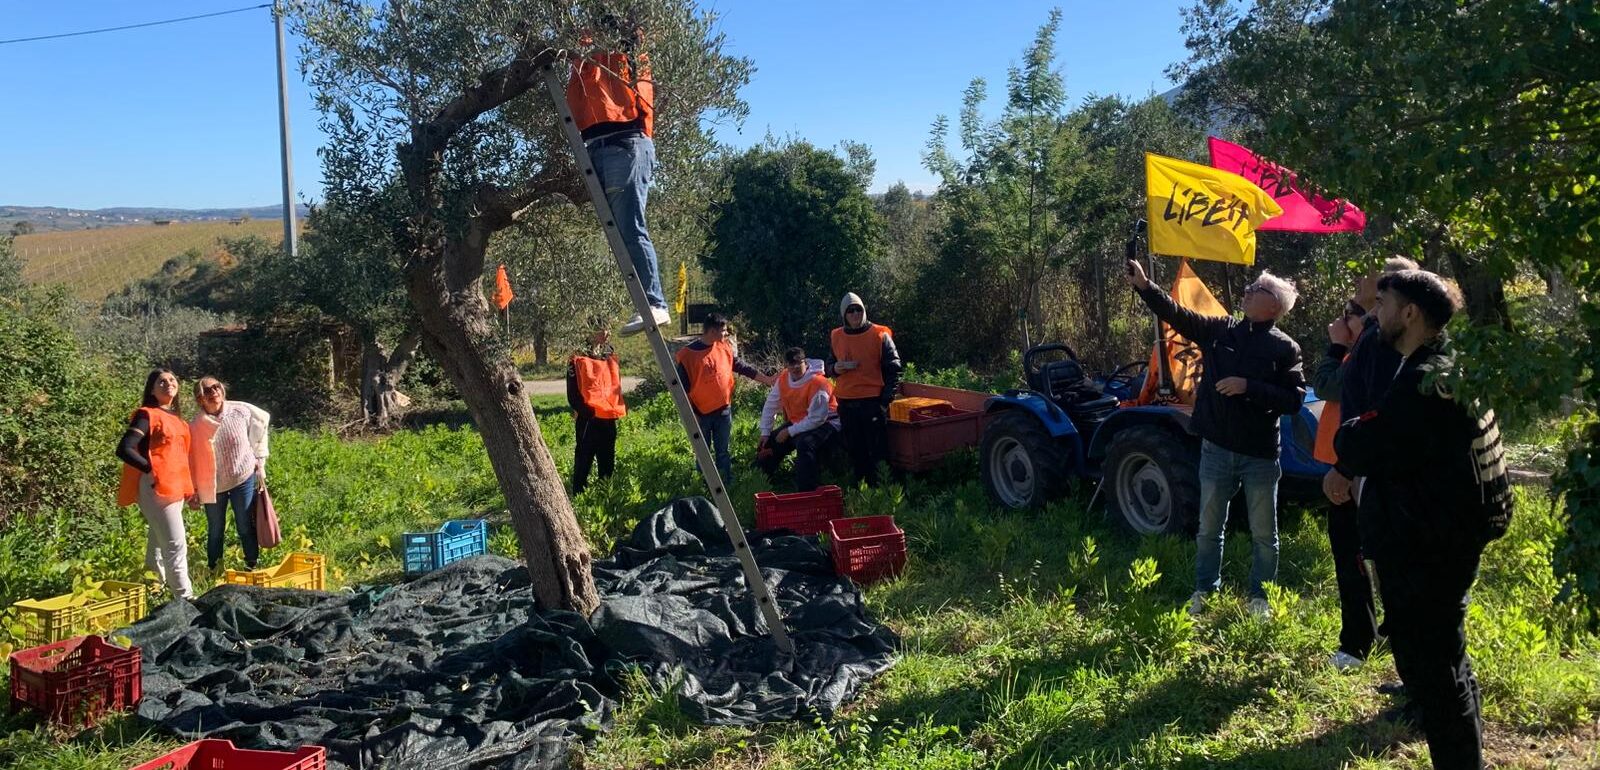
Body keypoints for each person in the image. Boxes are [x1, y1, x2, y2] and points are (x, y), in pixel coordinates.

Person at [1335, 269, 1510, 769]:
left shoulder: (1421, 380)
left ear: (1409, 313)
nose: (1375, 312)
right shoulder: (1451, 365)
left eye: (1383, 302)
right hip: (1446, 536)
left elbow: (1363, 441)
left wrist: (1354, 431)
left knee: (1435, 673)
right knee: (1449, 662)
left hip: (1428, 546)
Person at [1127, 259, 1306, 617]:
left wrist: (1248, 387)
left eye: (1258, 289)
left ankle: (1261, 598)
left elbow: (1294, 400)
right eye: (1252, 286)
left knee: (1264, 534)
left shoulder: (1285, 348)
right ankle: (1205, 591)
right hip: (1217, 448)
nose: (1249, 290)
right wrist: (1146, 287)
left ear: (1273, 306)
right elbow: (1177, 315)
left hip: (1259, 455)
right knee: (1209, 529)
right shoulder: (1222, 331)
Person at [1309, 255, 1419, 670]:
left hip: (1360, 466)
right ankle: (1386, 639)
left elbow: (1333, 386)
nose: (1353, 305)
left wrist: (1337, 346)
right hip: (1354, 461)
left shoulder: (1380, 341)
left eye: (1361, 299)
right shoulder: (1385, 337)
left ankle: (1359, 642)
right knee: (1371, 556)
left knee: (1358, 555)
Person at [566, 14, 667, 336]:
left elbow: (628, 42)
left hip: (625, 141)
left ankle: (655, 304)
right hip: (594, 144)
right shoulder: (584, 56)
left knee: (629, 225)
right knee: (619, 230)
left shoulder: (627, 50)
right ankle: (649, 302)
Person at [115, 369, 196, 600]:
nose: (168, 383)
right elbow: (125, 448)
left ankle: (154, 592)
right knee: (175, 545)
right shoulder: (147, 414)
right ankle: (185, 598)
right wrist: (151, 470)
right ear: (152, 389)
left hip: (176, 488)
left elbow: (180, 457)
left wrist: (191, 490)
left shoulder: (178, 420)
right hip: (157, 487)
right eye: (161, 381)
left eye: (172, 379)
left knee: (158, 544)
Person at [675, 313, 773, 485]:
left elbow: (740, 366)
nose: (726, 334)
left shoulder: (723, 346)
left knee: (723, 451)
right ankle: (705, 486)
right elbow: (681, 390)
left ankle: (727, 484)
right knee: (703, 452)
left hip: (723, 410)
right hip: (700, 413)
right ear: (712, 331)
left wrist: (766, 379)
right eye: (724, 330)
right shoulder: (687, 355)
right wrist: (692, 414)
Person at [189, 377, 271, 571]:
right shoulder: (196, 426)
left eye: (217, 387)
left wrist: (259, 460)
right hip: (213, 485)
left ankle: (252, 565)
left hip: (242, 477)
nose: (215, 392)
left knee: (244, 525)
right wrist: (193, 489)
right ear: (200, 398)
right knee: (216, 529)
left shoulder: (240, 411)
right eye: (208, 390)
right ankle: (214, 569)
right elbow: (191, 459)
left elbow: (261, 425)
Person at [827, 293, 902, 487]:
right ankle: (861, 491)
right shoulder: (837, 335)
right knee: (855, 450)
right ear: (844, 314)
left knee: (878, 451)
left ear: (864, 310)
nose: (855, 313)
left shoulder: (879, 334)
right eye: (850, 310)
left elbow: (894, 369)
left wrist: (885, 403)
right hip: (846, 402)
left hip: (872, 402)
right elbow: (829, 365)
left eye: (858, 309)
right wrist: (836, 368)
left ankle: (884, 491)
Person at [756, 347, 840, 493]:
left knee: (805, 444)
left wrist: (789, 431)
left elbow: (817, 419)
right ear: (786, 366)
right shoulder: (783, 378)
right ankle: (759, 483)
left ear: (805, 363)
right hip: (800, 421)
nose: (795, 367)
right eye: (791, 364)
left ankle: (808, 492)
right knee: (769, 442)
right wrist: (765, 432)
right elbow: (771, 404)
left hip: (827, 422)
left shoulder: (819, 383)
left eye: (798, 363)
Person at [567, 330, 626, 494]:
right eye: (603, 330)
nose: (607, 334)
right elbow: (572, 394)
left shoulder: (609, 352)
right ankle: (579, 496)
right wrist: (588, 413)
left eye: (608, 330)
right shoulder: (578, 355)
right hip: (589, 420)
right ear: (592, 332)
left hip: (608, 417)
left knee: (607, 462)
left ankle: (605, 498)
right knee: (583, 461)